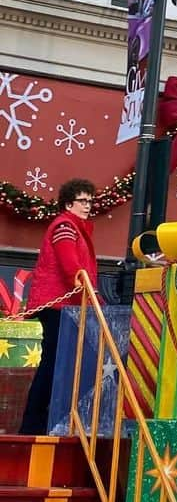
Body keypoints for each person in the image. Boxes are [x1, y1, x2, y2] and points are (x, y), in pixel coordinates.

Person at [19, 179, 98, 435]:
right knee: (53, 364)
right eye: (82, 201)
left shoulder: (74, 227)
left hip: (65, 304)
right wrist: (83, 282)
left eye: (89, 201)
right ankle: (34, 424)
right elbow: (70, 264)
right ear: (68, 203)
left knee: (56, 364)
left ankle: (41, 422)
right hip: (58, 305)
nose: (88, 206)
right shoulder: (66, 226)